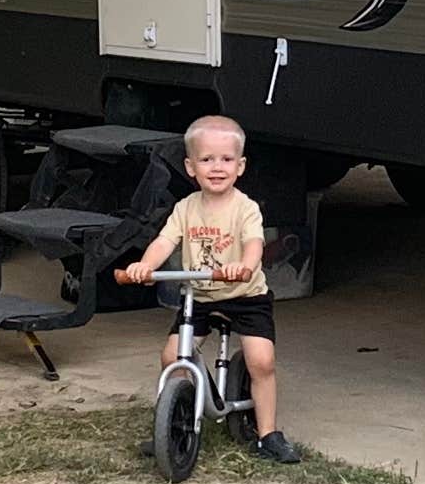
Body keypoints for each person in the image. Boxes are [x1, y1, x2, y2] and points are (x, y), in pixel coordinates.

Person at [113, 113, 300, 462]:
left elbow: (254, 244)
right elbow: (164, 241)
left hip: (245, 296)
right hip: (198, 296)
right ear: (190, 167)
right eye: (207, 159)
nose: (217, 167)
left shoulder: (245, 209)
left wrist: (244, 266)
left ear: (240, 166)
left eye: (226, 159)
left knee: (261, 361)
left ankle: (268, 435)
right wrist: (145, 265)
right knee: (172, 356)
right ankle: (175, 419)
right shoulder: (185, 209)